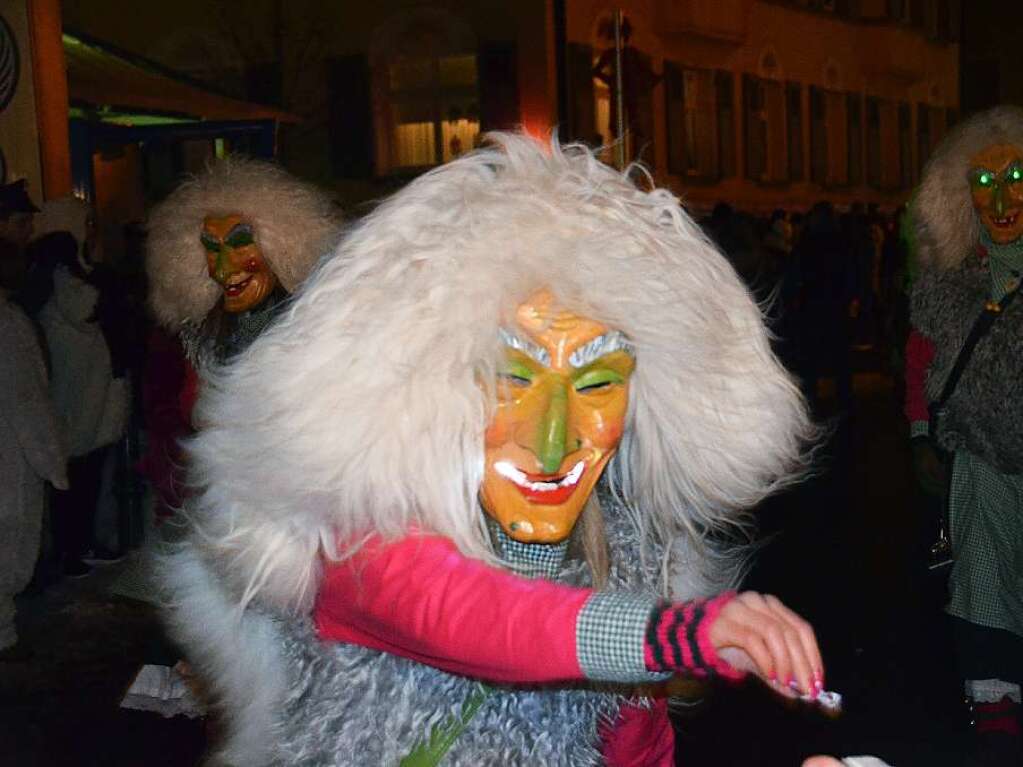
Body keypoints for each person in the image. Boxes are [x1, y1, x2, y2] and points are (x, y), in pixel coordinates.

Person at [162, 133, 830, 765]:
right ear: (435, 382)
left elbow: (638, 749)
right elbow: (469, 616)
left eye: (595, 382)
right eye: (511, 377)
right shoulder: (364, 529)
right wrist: (676, 634)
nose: (551, 438)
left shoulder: (627, 555)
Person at [906, 105, 1023, 766]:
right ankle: (996, 720)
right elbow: (920, 358)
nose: (1000, 198)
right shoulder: (950, 284)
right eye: (983, 184)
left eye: (1013, 178)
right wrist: (921, 434)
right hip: (979, 469)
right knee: (982, 586)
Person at [0, 239, 67, 661]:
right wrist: (52, 463)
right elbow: (26, 400)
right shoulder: (7, 324)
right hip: (9, 463)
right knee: (10, 547)